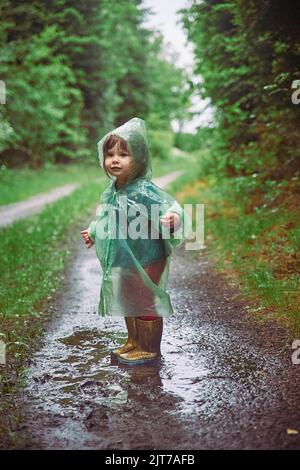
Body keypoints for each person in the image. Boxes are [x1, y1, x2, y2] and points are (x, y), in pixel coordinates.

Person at [80, 117, 190, 365]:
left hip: (148, 255)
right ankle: (134, 340)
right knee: (126, 294)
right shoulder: (113, 191)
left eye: (123, 154)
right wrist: (94, 230)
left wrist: (174, 218)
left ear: (138, 159)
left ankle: (149, 347)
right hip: (124, 256)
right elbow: (105, 217)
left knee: (144, 297)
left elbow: (172, 207)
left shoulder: (145, 190)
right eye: (110, 154)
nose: (115, 159)